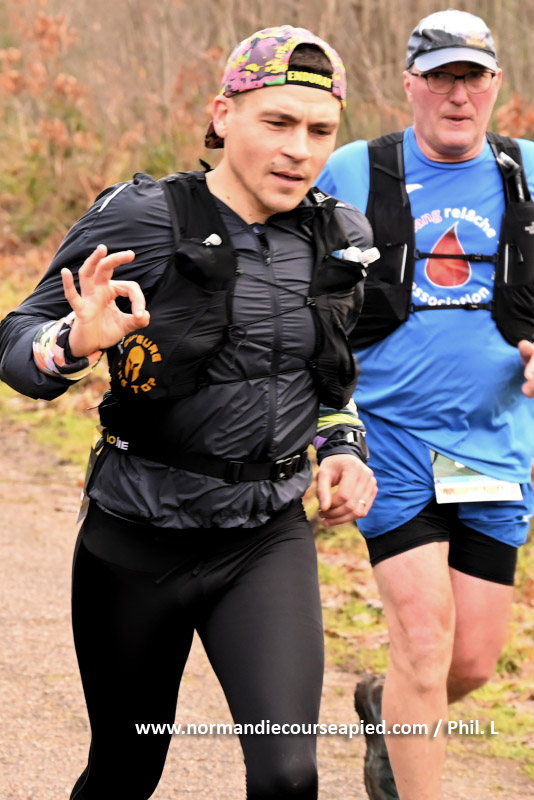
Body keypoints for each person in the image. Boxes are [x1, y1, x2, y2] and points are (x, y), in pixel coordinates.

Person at [0, 26, 378, 800]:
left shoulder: (342, 235)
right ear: (223, 115)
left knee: (288, 775)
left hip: (264, 536)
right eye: (278, 122)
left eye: (320, 131)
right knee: (126, 770)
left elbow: (327, 373)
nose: (299, 150)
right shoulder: (142, 216)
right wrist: (73, 342)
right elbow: (16, 339)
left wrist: (343, 446)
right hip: (136, 537)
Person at [318, 8, 534, 800]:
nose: (457, 95)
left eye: (471, 78)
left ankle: (385, 705)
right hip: (391, 440)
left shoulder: (527, 172)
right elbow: (290, 272)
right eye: (440, 78)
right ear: (409, 84)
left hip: (494, 445)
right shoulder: (352, 169)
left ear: (496, 84)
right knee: (423, 639)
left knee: (468, 664)